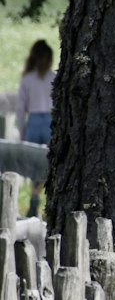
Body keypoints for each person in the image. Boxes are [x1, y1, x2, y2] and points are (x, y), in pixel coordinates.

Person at [16, 39, 54, 218]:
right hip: (49, 122)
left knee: (34, 166)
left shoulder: (27, 79)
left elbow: (20, 108)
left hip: (33, 123)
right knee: (49, 164)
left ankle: (34, 199)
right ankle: (49, 202)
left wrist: (21, 131)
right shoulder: (53, 78)